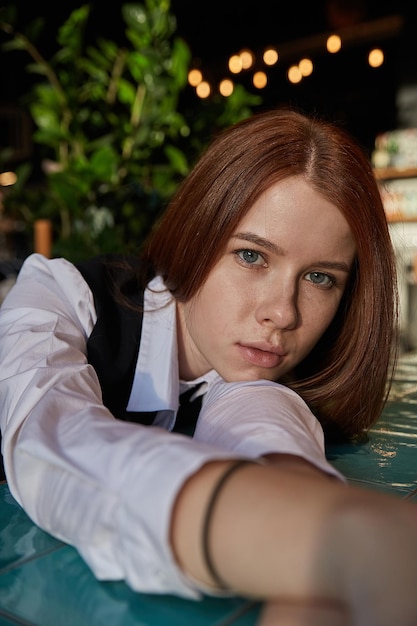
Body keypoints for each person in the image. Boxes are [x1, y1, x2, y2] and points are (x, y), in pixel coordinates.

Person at [0, 106, 417, 626]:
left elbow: (262, 420)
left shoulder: (248, 370)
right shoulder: (58, 297)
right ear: (196, 232)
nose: (282, 313)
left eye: (319, 278)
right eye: (251, 257)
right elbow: (51, 445)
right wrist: (324, 538)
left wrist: (319, 540)